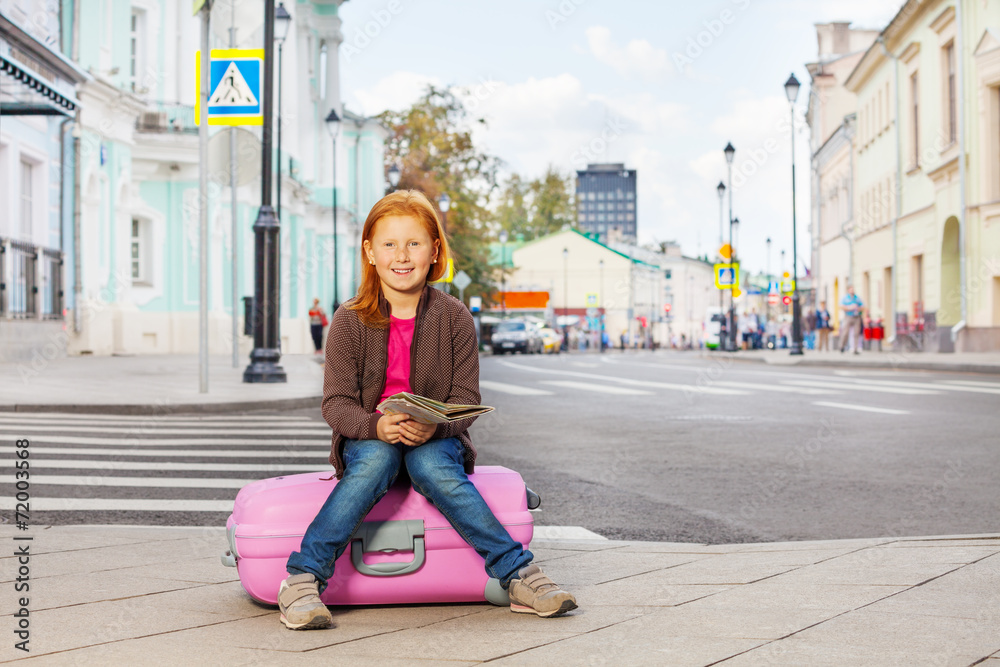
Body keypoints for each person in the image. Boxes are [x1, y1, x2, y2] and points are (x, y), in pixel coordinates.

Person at [278, 190, 577, 630]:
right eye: (389, 244)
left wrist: (432, 427)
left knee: (433, 465)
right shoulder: (349, 319)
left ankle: (519, 575)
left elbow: (464, 399)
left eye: (414, 244)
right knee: (376, 460)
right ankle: (302, 578)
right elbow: (335, 404)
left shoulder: (454, 317)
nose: (402, 256)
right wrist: (375, 427)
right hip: (371, 439)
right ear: (370, 252)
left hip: (433, 440)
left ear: (434, 250)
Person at [839, 285, 863, 354]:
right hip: (848, 316)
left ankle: (855, 349)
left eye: (853, 289)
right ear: (848, 290)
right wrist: (849, 307)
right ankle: (842, 346)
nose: (852, 291)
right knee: (845, 332)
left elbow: (862, 306)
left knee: (856, 333)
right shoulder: (845, 298)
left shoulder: (857, 298)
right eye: (851, 289)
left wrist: (858, 308)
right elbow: (841, 307)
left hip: (856, 317)